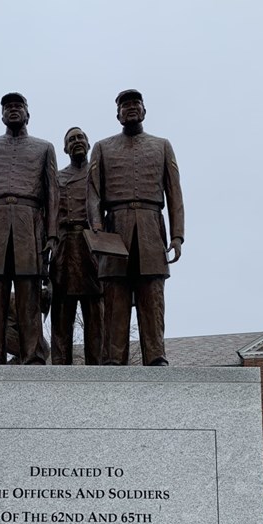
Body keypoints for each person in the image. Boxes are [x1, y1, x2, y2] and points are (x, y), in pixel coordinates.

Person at [87, 89, 184, 366]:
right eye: (124, 105)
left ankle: (155, 355)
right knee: (115, 297)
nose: (130, 108)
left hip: (152, 226)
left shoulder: (162, 145)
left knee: (152, 295)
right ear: (117, 114)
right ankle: (114, 358)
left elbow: (174, 192)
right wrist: (95, 227)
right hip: (114, 226)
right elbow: (93, 192)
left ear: (144, 110)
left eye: (135, 104)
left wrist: (177, 235)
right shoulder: (102, 147)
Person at [0, 93, 59, 364]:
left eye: (18, 106)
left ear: (28, 113)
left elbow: (53, 195)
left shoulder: (44, 148)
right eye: (8, 107)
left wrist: (52, 235)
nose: (13, 110)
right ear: (2, 115)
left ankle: (34, 354)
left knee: (30, 290)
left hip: (29, 222)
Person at [50, 127, 103, 364]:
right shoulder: (56, 178)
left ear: (89, 144)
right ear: (65, 148)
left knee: (95, 313)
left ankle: (98, 370)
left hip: (91, 247)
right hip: (63, 249)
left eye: (81, 137)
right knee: (61, 313)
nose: (77, 141)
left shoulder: (100, 174)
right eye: (71, 140)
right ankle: (60, 369)